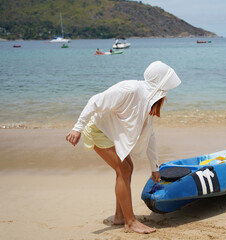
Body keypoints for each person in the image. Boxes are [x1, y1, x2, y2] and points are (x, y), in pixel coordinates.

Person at [65, 61, 181, 234]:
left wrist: (154, 167)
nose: (166, 93)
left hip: (110, 133)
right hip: (98, 131)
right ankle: (130, 221)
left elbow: (150, 135)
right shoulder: (130, 89)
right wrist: (77, 128)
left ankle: (120, 216)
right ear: (159, 83)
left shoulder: (149, 99)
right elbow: (95, 101)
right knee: (124, 170)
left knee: (128, 168)